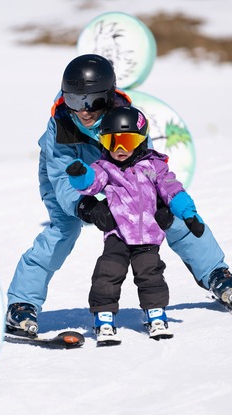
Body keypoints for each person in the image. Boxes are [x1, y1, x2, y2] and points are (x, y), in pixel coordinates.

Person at [5, 53, 232, 337]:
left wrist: (158, 201)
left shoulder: (129, 120)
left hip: (122, 173)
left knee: (168, 216)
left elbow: (149, 165)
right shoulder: (60, 128)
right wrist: (87, 208)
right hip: (70, 177)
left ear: (107, 97)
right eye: (74, 101)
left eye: (92, 101)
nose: (83, 111)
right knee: (64, 230)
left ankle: (216, 274)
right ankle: (22, 303)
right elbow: (62, 179)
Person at [66, 106, 202, 344]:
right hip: (118, 234)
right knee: (107, 273)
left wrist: (189, 214)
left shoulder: (154, 166)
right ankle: (104, 317)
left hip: (148, 235)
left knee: (151, 275)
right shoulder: (104, 167)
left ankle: (155, 314)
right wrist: (80, 175)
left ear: (140, 139)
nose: (119, 149)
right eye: (112, 141)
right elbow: (91, 185)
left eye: (126, 141)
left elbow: (172, 189)